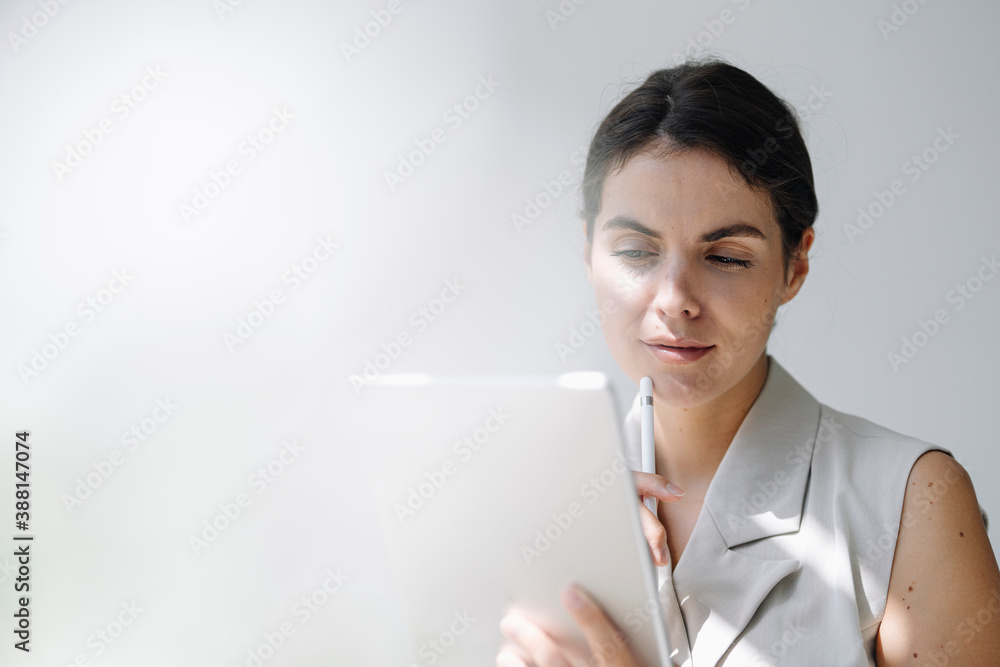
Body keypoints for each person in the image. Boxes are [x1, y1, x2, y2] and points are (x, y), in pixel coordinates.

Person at [495, 59, 1000, 666]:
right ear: (588, 252)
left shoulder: (912, 500)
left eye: (726, 257)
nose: (675, 299)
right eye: (635, 250)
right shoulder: (523, 506)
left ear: (795, 265)